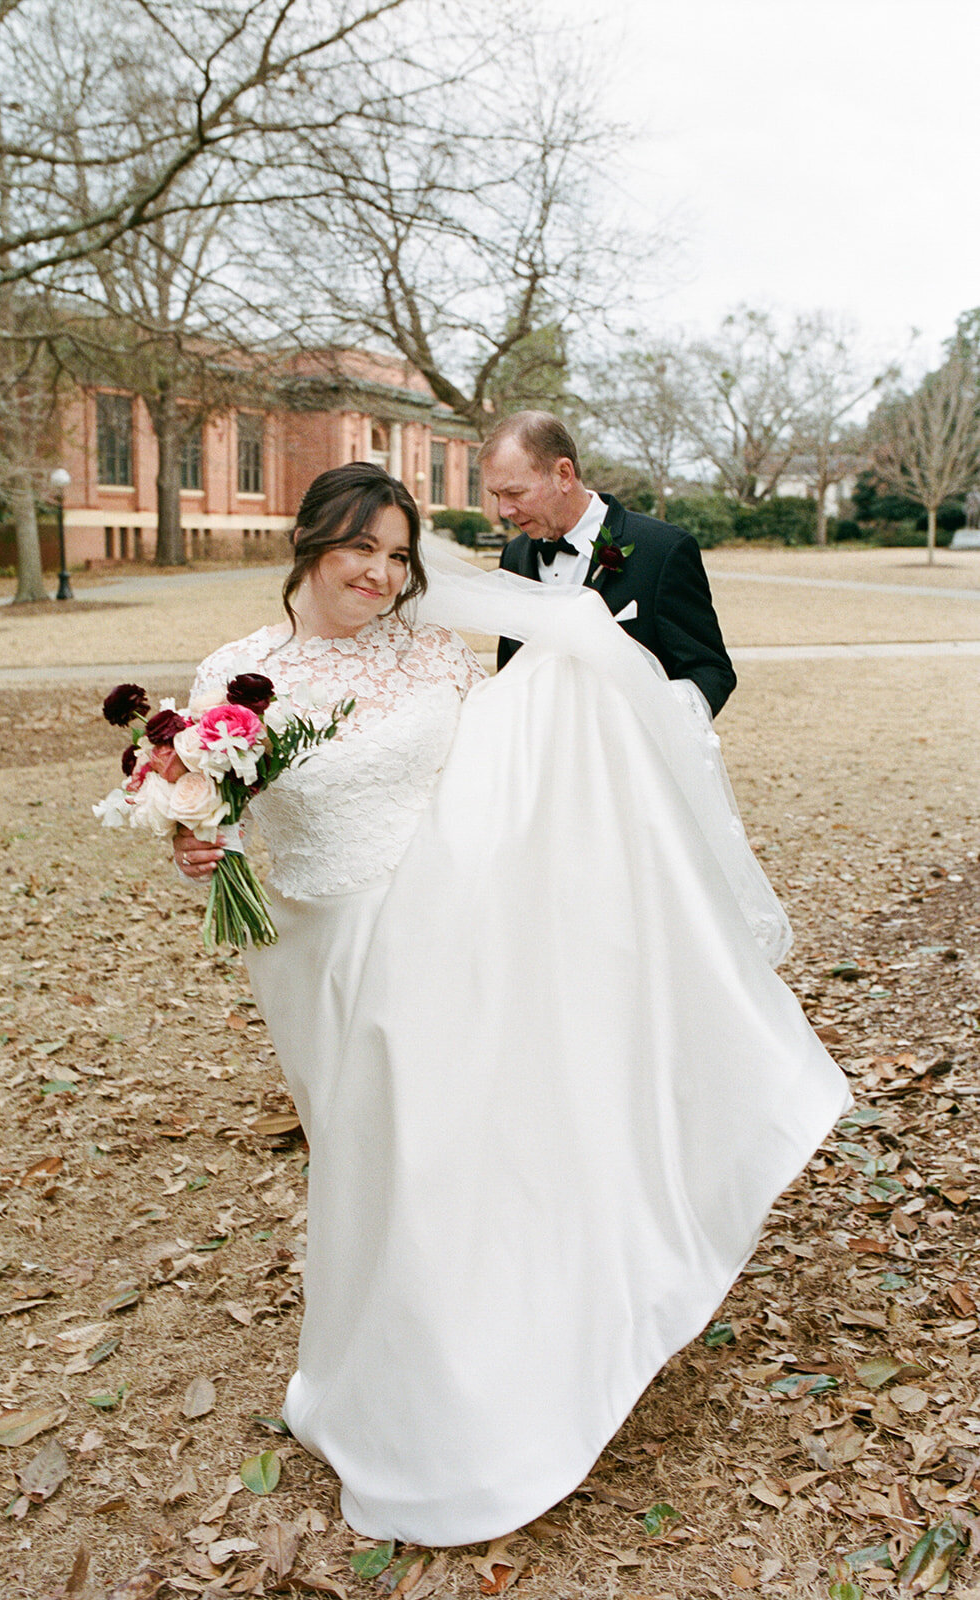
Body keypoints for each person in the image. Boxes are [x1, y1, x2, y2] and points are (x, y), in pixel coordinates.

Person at [172, 462, 849, 1548]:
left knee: (432, 1161)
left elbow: (506, 766)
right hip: (305, 946)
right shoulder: (232, 672)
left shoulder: (434, 653)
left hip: (433, 935)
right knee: (357, 1163)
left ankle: (464, 1413)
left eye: (400, 556)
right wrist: (193, 839)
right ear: (309, 540)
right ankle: (356, 1374)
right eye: (364, 550)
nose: (382, 576)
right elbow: (207, 807)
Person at [480, 411, 736, 717]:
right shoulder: (514, 556)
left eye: (514, 493)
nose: (504, 510)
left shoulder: (663, 550)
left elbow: (709, 670)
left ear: (563, 474)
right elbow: (512, 673)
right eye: (495, 495)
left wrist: (647, 726)